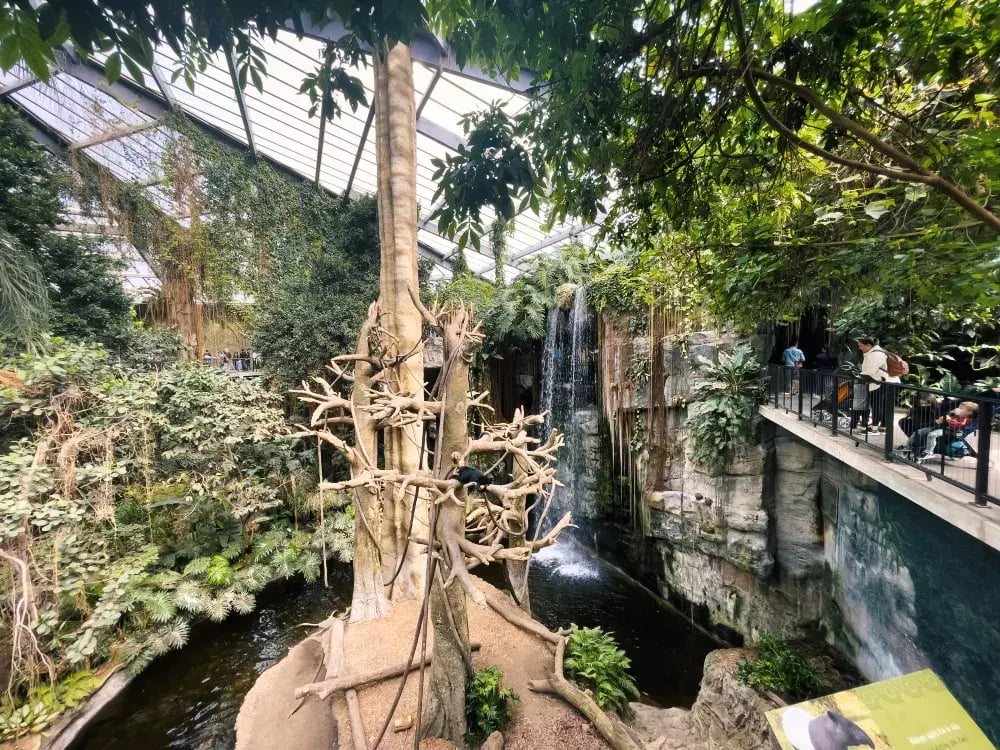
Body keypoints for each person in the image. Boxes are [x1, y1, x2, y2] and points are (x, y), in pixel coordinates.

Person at [906, 401, 977, 459]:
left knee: (932, 435)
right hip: (942, 428)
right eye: (959, 407)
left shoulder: (966, 419)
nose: (958, 409)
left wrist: (949, 420)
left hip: (950, 431)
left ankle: (929, 452)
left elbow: (958, 425)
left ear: (969, 412)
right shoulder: (955, 415)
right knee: (920, 431)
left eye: (962, 408)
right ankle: (907, 446)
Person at [857, 336, 899, 433]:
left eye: (861, 346)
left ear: (868, 345)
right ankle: (883, 426)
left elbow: (870, 370)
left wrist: (861, 375)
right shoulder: (874, 353)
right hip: (883, 381)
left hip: (880, 382)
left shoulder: (876, 354)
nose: (860, 348)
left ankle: (874, 427)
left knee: (877, 404)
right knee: (882, 405)